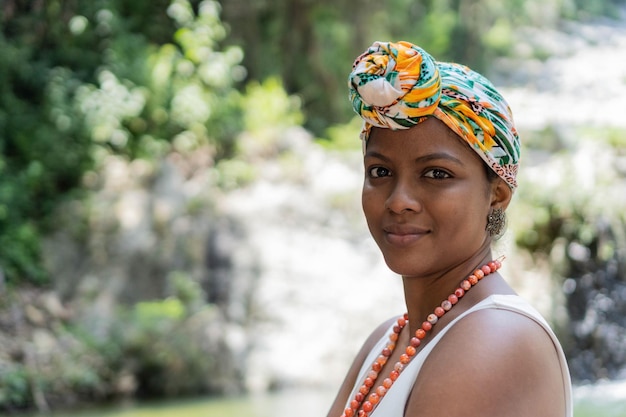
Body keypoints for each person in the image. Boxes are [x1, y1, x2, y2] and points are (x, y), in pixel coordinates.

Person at [326, 41, 573, 417]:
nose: (398, 200)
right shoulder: (386, 341)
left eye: (436, 174)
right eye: (380, 172)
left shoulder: (496, 336)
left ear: (497, 195)